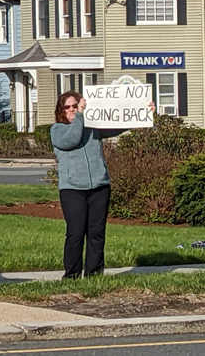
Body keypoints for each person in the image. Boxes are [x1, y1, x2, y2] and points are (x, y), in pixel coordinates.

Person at [50, 91, 154, 279]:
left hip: (99, 186)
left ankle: (94, 275)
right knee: (75, 232)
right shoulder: (57, 130)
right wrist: (81, 115)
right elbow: (71, 140)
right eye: (68, 107)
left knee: (96, 233)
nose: (72, 109)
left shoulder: (93, 127)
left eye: (75, 105)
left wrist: (142, 113)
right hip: (72, 188)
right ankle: (71, 275)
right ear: (61, 111)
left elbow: (117, 126)